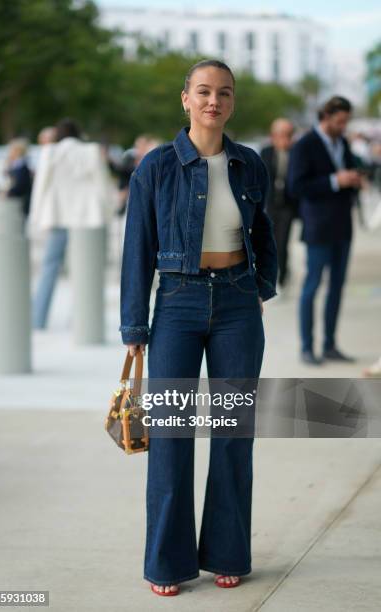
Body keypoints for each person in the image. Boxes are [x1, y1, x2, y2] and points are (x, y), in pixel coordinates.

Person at [119, 59, 277, 595]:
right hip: (178, 307)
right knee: (171, 436)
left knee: (234, 435)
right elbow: (136, 251)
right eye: (204, 91)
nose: (214, 101)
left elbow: (265, 231)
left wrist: (260, 288)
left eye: (224, 93)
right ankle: (167, 563)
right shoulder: (156, 166)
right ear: (184, 98)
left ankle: (228, 552)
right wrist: (134, 326)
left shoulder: (249, 164)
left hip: (236, 304)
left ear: (232, 102)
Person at [288, 96, 364, 365]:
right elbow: (296, 186)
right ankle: (307, 347)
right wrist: (334, 180)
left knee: (337, 287)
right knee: (312, 286)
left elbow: (344, 173)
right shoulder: (304, 145)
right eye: (340, 121)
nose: (344, 126)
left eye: (346, 121)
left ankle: (330, 344)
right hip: (318, 227)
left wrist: (353, 179)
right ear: (326, 116)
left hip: (343, 226)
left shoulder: (341, 142)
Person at [30, 118, 115, 329]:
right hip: (88, 218)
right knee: (85, 271)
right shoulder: (92, 151)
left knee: (50, 267)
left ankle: (38, 319)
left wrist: (36, 217)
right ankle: (81, 321)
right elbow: (102, 183)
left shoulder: (50, 152)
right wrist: (109, 211)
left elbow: (41, 186)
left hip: (59, 216)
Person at [260, 119, 298, 291]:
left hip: (287, 206)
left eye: (288, 135)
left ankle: (282, 279)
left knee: (282, 243)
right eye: (280, 135)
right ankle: (270, 276)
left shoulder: (296, 153)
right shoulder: (266, 152)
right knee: (269, 243)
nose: (284, 139)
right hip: (270, 205)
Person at [5, 138, 33, 220]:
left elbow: (20, 185)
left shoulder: (21, 166)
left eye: (11, 150)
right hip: (20, 202)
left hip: (22, 202)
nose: (9, 153)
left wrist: (8, 193)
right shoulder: (16, 165)